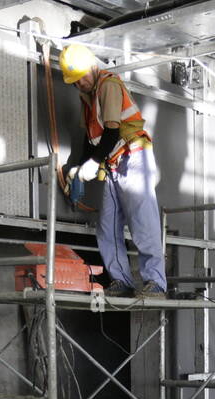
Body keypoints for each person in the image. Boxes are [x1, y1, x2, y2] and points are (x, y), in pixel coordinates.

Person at [59, 43, 167, 297]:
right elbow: (92, 139)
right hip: (112, 163)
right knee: (107, 227)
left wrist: (92, 163)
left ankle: (156, 283)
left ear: (93, 67)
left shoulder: (108, 84)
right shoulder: (87, 98)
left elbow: (111, 131)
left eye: (82, 77)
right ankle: (122, 281)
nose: (81, 83)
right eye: (75, 81)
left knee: (143, 222)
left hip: (133, 156)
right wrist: (77, 168)